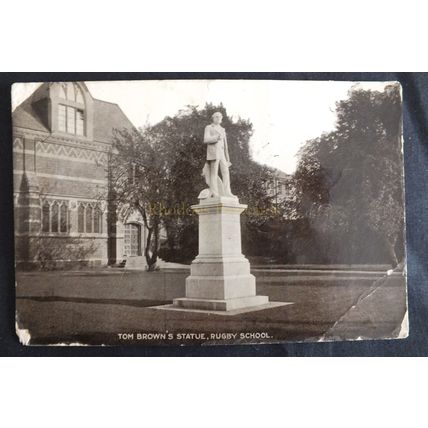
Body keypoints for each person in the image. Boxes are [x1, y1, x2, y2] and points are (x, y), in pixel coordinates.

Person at [201, 112, 235, 198]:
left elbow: (225, 145)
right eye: (216, 116)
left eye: (220, 117)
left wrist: (228, 159)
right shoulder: (209, 127)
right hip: (213, 153)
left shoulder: (222, 129)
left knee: (226, 172)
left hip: (222, 153)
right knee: (214, 173)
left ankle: (228, 192)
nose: (218, 118)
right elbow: (206, 139)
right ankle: (215, 193)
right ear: (213, 118)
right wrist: (216, 138)